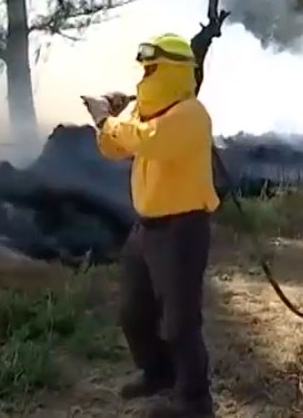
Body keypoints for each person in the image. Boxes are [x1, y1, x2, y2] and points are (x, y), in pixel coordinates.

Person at [84, 33, 218, 418]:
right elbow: (113, 148)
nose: (144, 76)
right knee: (133, 313)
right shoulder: (145, 113)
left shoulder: (191, 114)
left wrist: (108, 118)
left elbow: (148, 142)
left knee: (180, 324)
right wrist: (111, 117)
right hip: (145, 229)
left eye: (152, 68)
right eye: (144, 68)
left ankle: (195, 403)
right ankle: (158, 373)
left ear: (174, 70)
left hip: (182, 230)